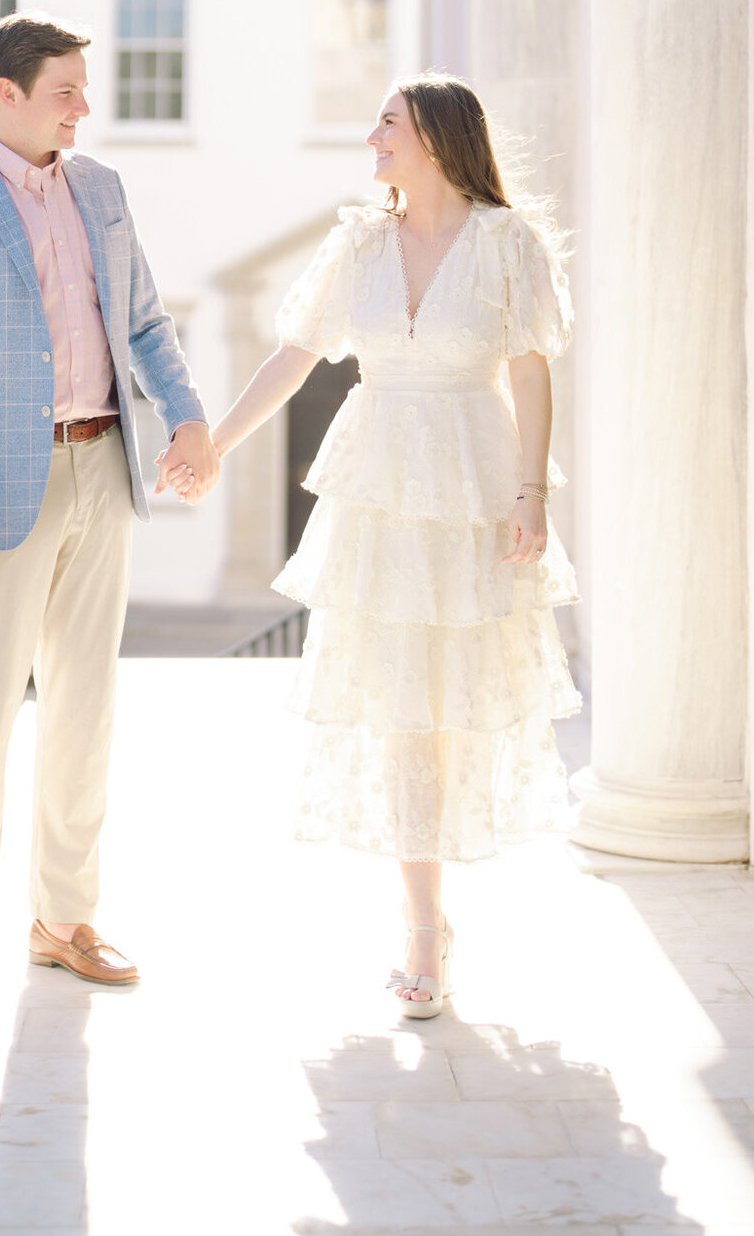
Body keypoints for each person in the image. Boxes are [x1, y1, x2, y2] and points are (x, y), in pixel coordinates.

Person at [202, 73, 580, 1017]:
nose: (371, 135)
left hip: (475, 492)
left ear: (439, 139)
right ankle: (422, 927)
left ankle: (434, 913)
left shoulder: (507, 243)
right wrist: (212, 442)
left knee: (457, 710)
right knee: (404, 712)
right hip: (378, 500)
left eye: (388, 122)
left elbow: (530, 376)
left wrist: (532, 493)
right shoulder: (356, 243)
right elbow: (293, 354)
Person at [0, 12, 218, 1007]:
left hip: (101, 472)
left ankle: (64, 919)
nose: (87, 106)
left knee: (84, 708)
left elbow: (146, 321)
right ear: (10, 94)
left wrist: (190, 416)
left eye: (85, 87)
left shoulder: (102, 190)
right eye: (67, 89)